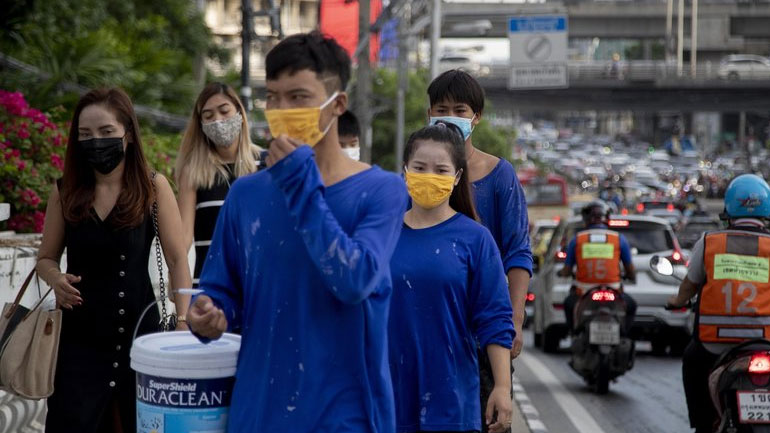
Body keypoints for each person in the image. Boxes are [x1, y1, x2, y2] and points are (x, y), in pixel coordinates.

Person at [186, 32, 408, 432]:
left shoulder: (382, 191)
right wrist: (209, 313)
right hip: (260, 412)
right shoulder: (246, 195)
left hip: (347, 416)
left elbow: (354, 279)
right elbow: (222, 291)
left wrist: (299, 183)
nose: (281, 109)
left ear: (336, 104)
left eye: (298, 97)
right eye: (273, 96)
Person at [36, 87, 192, 433]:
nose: (96, 141)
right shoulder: (65, 191)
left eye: (106, 132)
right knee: (73, 421)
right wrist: (55, 279)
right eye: (85, 134)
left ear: (129, 134)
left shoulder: (154, 187)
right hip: (79, 341)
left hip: (140, 337)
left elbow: (178, 258)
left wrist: (182, 320)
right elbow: (46, 257)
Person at [389, 123, 514, 433]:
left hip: (451, 399)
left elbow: (495, 319)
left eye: (441, 170)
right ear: (405, 169)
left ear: (457, 177)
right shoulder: (379, 233)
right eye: (420, 167)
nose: (429, 175)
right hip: (386, 397)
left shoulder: (476, 240)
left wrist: (502, 388)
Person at [427, 69, 532, 433]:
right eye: (442, 108)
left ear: (477, 117)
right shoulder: (420, 177)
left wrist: (514, 321)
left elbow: (518, 253)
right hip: (431, 327)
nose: (450, 116)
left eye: (460, 109)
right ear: (429, 114)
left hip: (485, 330)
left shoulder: (499, 175)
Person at [668, 174, 770, 433]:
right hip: (765, 340)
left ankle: (702, 424)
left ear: (729, 208)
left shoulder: (711, 242)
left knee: (691, 361)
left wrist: (676, 301)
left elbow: (690, 284)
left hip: (714, 343)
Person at [175, 82, 260, 286]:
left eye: (224, 111)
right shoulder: (193, 172)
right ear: (201, 124)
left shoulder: (265, 163)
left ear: (239, 112)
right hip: (209, 287)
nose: (218, 121)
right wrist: (175, 275)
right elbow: (184, 235)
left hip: (258, 284)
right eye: (208, 116)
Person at [557, 200, 637, 333]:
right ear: (606, 218)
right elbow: (630, 270)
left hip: (584, 291)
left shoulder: (578, 239)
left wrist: (562, 273)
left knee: (568, 305)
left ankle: (575, 335)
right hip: (614, 290)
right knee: (631, 306)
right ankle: (623, 334)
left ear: (586, 219)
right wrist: (629, 276)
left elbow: (567, 270)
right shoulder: (618, 238)